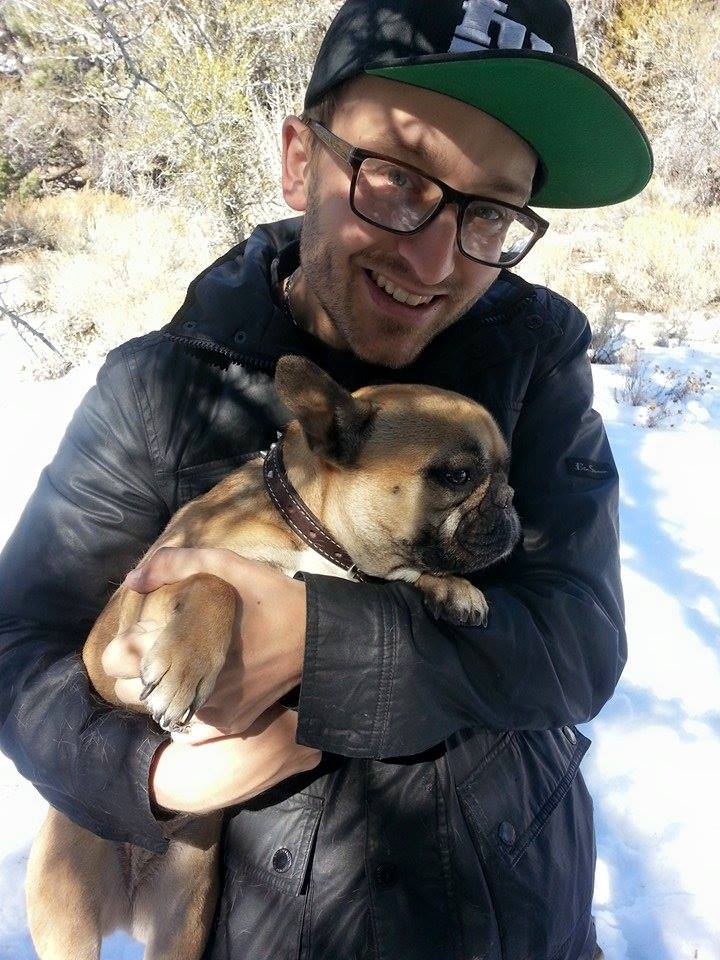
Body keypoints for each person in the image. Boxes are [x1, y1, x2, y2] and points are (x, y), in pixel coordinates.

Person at [0, 0, 653, 957]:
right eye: (398, 178)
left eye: (490, 212)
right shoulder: (160, 389)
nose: (434, 259)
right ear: (301, 160)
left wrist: (323, 643)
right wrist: (151, 776)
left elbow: (580, 645)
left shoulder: (533, 354)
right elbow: (18, 648)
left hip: (517, 918)